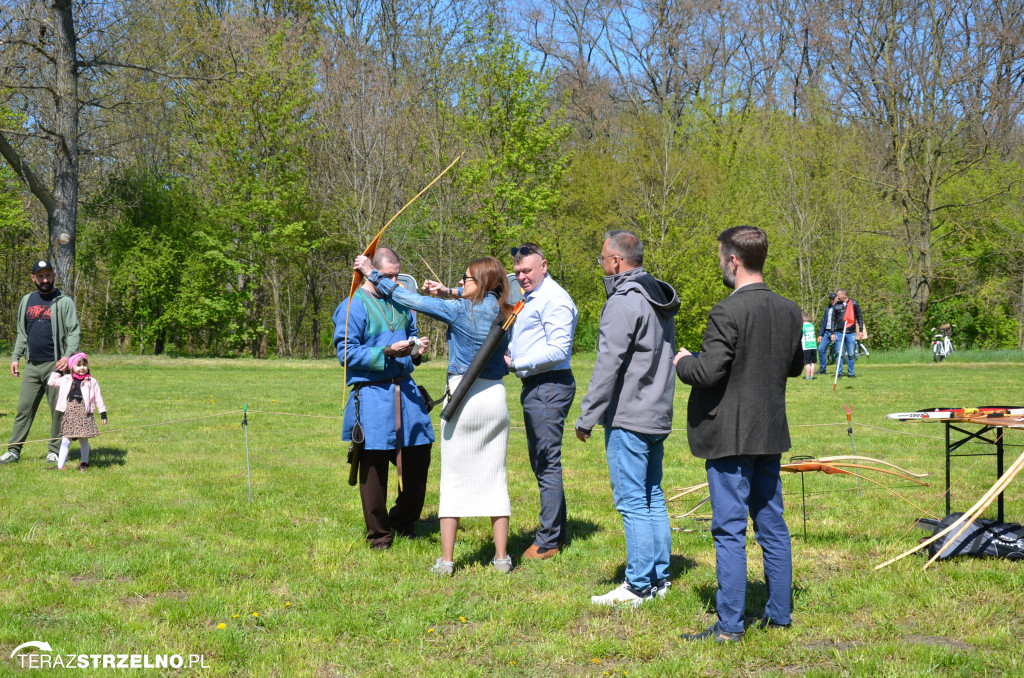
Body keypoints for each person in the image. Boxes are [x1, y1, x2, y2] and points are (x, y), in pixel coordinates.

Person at [674, 225, 804, 643]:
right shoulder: (789, 309)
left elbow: (708, 371)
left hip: (730, 435)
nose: (720, 264)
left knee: (729, 530)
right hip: (768, 431)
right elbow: (795, 366)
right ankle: (779, 614)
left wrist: (683, 360)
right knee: (772, 525)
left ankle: (730, 625)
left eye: (720, 257)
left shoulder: (727, 311)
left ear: (733, 260)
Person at [354, 254, 515, 575]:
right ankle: (500, 558)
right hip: (496, 398)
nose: (459, 284)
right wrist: (449, 291)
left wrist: (372, 274)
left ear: (479, 284)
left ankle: (447, 561)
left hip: (464, 399)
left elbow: (406, 296)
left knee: (454, 478)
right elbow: (476, 295)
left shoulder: (459, 310)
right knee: (496, 476)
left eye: (465, 279)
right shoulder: (506, 309)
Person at [574, 230, 680, 607]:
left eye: (602, 259)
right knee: (652, 497)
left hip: (630, 417)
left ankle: (637, 585)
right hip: (657, 413)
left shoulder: (623, 301)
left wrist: (588, 417)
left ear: (617, 261)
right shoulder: (658, 296)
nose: (601, 265)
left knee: (633, 501)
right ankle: (658, 579)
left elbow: (608, 365)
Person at [333, 248, 434, 550]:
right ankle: (380, 535)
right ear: (370, 271)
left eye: (396, 275)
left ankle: (403, 521)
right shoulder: (353, 305)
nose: (393, 281)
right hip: (373, 395)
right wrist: (387, 352)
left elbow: (412, 335)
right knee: (374, 470)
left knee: (418, 461)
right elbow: (346, 354)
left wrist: (416, 349)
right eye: (387, 276)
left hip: (407, 394)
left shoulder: (402, 302)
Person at [507, 243, 578, 561]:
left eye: (527, 271)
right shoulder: (534, 296)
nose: (521, 277)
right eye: (518, 272)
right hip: (538, 386)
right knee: (542, 463)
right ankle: (556, 532)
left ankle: (548, 542)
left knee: (547, 464)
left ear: (544, 266)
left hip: (549, 386)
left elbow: (558, 350)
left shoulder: (554, 299)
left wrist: (517, 363)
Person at [3, 260, 81, 465]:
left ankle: (54, 451)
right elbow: (22, 332)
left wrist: (67, 356)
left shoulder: (63, 301)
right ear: (33, 278)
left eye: (48, 275)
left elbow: (74, 331)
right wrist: (15, 357)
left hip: (56, 366)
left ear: (54, 275)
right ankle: (13, 451)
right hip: (32, 366)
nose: (44, 280)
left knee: (58, 410)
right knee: (24, 409)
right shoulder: (27, 300)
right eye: (40, 276)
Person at [47, 353, 107, 471]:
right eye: (78, 365)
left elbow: (98, 398)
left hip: (85, 413)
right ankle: (60, 466)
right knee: (65, 440)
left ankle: (84, 462)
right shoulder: (66, 379)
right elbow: (51, 382)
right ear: (71, 367)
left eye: (84, 365)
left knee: (84, 439)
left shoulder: (92, 381)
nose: (82, 368)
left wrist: (103, 413)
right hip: (71, 413)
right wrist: (60, 370)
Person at [831, 289, 865, 378]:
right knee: (839, 353)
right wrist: (832, 333)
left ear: (844, 295)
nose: (837, 297)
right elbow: (833, 320)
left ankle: (851, 373)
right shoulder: (836, 305)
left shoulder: (854, 303)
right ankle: (839, 372)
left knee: (851, 353)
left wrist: (860, 330)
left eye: (838, 295)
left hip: (851, 332)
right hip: (839, 332)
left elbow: (859, 317)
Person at [816, 292, 839, 374]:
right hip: (827, 332)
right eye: (830, 299)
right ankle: (822, 369)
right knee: (821, 349)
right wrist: (820, 334)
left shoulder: (840, 307)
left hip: (836, 332)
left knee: (838, 351)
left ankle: (838, 371)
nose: (831, 300)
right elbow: (824, 321)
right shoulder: (828, 308)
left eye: (833, 299)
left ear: (837, 298)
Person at [801, 311, 817, 379]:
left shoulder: (802, 327)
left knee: (807, 363)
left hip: (806, 346)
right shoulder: (812, 325)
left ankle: (807, 376)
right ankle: (812, 376)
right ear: (809, 318)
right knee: (812, 362)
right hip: (814, 346)